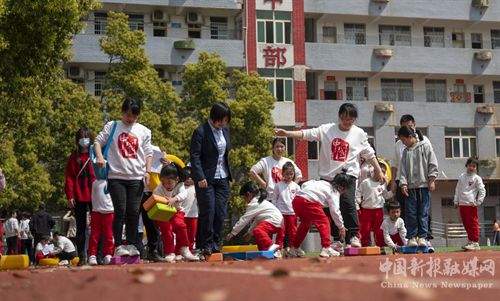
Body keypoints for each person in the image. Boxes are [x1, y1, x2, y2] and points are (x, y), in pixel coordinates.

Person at [274, 103, 384, 248]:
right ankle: (337, 239)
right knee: (329, 209)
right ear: (339, 117)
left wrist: (378, 170)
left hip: (348, 176)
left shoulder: (359, 134)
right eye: (345, 118)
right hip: (328, 177)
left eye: (351, 119)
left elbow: (369, 154)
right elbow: (306, 134)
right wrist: (287, 134)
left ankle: (353, 236)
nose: (347, 122)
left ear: (354, 119)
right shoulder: (327, 129)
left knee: (348, 204)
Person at [94, 98, 153, 257]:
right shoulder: (112, 126)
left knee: (134, 211)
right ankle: (119, 244)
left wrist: (147, 170)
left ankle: (132, 244)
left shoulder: (144, 131)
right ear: (122, 112)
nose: (130, 119)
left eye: (134, 116)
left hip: (136, 177)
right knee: (120, 210)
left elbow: (148, 152)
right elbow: (98, 142)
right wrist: (100, 157)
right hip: (116, 176)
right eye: (127, 115)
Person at [190, 102, 232, 256]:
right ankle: (205, 244)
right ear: (213, 117)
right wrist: (199, 176)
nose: (223, 124)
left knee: (220, 212)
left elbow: (224, 153)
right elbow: (195, 156)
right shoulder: (201, 131)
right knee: (209, 211)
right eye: (220, 120)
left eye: (226, 121)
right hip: (206, 179)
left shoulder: (225, 130)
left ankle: (215, 242)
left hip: (223, 177)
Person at [391, 114, 435, 248]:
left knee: (423, 211)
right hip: (409, 186)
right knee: (409, 212)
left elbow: (432, 164)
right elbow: (401, 169)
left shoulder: (425, 145)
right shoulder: (403, 149)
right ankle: (411, 237)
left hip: (423, 185)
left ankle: (423, 237)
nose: (403, 143)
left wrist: (432, 179)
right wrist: (402, 183)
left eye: (409, 126)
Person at [289, 172, 351, 258]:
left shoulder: (323, 183)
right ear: (341, 187)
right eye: (345, 190)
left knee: (305, 225)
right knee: (324, 222)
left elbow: (305, 184)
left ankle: (294, 248)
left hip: (297, 200)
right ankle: (326, 248)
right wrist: (341, 227)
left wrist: (307, 193)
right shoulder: (334, 192)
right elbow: (335, 211)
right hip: (309, 202)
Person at [224, 181, 283, 258]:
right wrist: (249, 233)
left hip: (274, 221)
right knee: (258, 236)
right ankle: (267, 254)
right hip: (279, 222)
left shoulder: (254, 204)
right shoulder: (259, 201)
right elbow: (257, 221)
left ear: (248, 194)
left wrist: (232, 233)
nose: (245, 201)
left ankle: (273, 247)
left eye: (244, 198)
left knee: (258, 231)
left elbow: (243, 220)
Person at [153, 164, 199, 262]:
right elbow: (154, 197)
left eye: (169, 182)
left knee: (180, 225)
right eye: (163, 182)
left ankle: (185, 249)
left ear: (177, 180)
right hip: (163, 213)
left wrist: (174, 199)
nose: (166, 185)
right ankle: (169, 253)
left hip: (177, 211)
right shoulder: (159, 188)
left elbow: (184, 194)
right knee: (166, 229)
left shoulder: (180, 185)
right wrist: (162, 201)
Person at [64, 127, 96, 265]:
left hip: (95, 194)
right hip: (79, 195)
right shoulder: (74, 157)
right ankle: (82, 255)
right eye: (82, 137)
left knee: (97, 226)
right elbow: (69, 177)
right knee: (81, 228)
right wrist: (70, 195)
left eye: (86, 137)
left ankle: (95, 254)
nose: (84, 140)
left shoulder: (95, 154)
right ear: (78, 140)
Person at [356, 162, 393, 247]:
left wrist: (392, 192)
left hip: (378, 210)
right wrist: (358, 200)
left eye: (384, 173)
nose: (382, 175)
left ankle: (380, 245)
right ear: (375, 171)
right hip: (366, 210)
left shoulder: (382, 184)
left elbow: (385, 195)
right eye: (380, 172)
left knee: (379, 229)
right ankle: (365, 244)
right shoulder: (366, 182)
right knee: (365, 228)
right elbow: (358, 191)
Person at [453, 157, 486, 251]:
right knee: (466, 224)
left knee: (473, 223)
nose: (471, 168)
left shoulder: (477, 178)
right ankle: (470, 240)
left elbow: (482, 190)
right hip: (462, 204)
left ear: (476, 168)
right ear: (466, 166)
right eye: (470, 165)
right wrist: (456, 201)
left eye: (474, 166)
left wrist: (478, 202)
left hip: (471, 204)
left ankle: (475, 242)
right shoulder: (462, 177)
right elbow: (458, 189)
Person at [271, 162, 300, 256]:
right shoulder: (278, 185)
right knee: (281, 233)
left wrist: (299, 212)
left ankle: (293, 249)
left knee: (293, 232)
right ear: (282, 174)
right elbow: (274, 198)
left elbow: (299, 200)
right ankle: (278, 249)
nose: (289, 176)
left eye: (291, 174)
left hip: (292, 213)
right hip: (281, 213)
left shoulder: (296, 186)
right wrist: (275, 211)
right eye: (287, 174)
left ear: (294, 174)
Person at [88, 172, 115, 266]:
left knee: (109, 234)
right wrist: (94, 208)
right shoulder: (94, 182)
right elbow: (93, 197)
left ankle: (108, 254)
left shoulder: (112, 181)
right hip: (96, 211)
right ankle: (92, 255)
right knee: (94, 234)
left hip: (109, 211)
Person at [183, 165, 198, 253]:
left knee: (192, 235)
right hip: (183, 215)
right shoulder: (180, 187)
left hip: (193, 216)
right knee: (183, 236)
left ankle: (191, 251)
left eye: (191, 177)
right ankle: (181, 251)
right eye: (187, 177)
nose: (189, 179)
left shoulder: (196, 188)